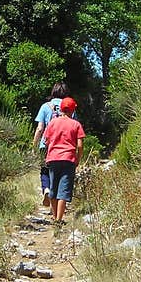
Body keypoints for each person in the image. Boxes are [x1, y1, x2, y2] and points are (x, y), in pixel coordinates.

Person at [42, 96, 85, 225]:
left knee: (53, 189)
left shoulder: (52, 123)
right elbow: (80, 145)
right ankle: (59, 220)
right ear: (72, 110)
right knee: (64, 190)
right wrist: (78, 158)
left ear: (61, 109)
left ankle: (55, 217)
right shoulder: (76, 124)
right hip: (68, 159)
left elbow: (46, 141)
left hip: (53, 158)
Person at [32, 82, 69, 207]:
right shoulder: (68, 108)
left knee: (44, 170)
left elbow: (40, 128)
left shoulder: (45, 106)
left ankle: (46, 189)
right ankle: (57, 202)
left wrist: (34, 145)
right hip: (63, 146)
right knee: (60, 173)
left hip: (46, 144)